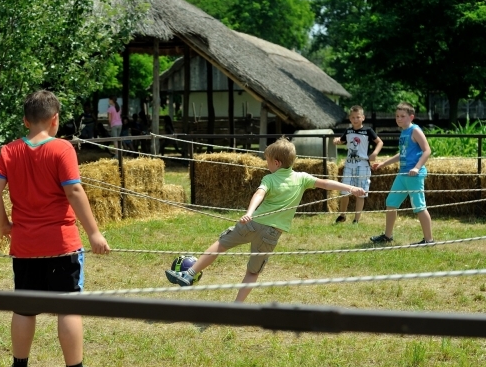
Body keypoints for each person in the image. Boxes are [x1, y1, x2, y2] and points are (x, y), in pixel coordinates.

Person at [0, 90, 110, 367]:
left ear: (26, 120)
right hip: (61, 244)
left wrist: (3, 224)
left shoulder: (9, 151)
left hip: (25, 247)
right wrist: (93, 232)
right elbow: (75, 192)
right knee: (68, 306)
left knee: (24, 308)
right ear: (55, 119)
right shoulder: (62, 148)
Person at [165, 138, 366, 302]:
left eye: (267, 161)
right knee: (253, 272)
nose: (266, 164)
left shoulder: (269, 179)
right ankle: (236, 307)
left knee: (220, 244)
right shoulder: (302, 177)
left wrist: (250, 212)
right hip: (271, 234)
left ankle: (190, 273)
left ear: (276, 163)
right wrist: (350, 189)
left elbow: (259, 195)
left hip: (252, 223)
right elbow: (326, 184)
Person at [370, 102, 434, 245]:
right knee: (391, 203)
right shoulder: (404, 132)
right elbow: (402, 154)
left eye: (402, 116)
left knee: (419, 207)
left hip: (414, 175)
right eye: (397, 116)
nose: (399, 119)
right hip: (403, 174)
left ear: (411, 117)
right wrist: (383, 164)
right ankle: (387, 236)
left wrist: (417, 168)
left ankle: (429, 240)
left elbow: (427, 150)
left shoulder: (415, 130)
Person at [333, 105, 383, 224]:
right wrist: (336, 141)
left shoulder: (368, 131)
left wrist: (375, 153)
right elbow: (341, 140)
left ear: (363, 118)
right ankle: (342, 215)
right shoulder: (348, 131)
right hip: (349, 165)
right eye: (353, 117)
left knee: (360, 193)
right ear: (350, 119)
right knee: (344, 190)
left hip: (363, 164)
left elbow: (380, 142)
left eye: (358, 117)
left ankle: (356, 219)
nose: (355, 120)